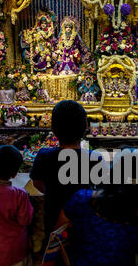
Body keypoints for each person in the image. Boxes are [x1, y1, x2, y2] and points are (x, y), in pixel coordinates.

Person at [30, 100, 104, 239]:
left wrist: (54, 192)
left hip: (54, 220)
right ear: (85, 127)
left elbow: (37, 183)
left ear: (53, 129)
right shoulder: (95, 158)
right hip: (85, 222)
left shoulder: (44, 155)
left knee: (55, 254)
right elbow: (101, 190)